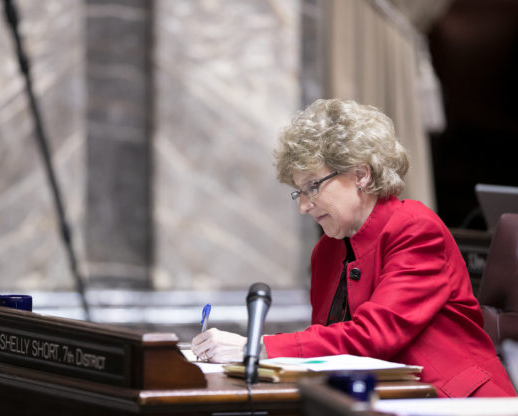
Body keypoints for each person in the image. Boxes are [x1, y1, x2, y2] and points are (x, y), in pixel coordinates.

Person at [191, 98, 517, 398]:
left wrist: (255, 347)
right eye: (298, 192)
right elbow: (327, 349)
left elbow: (372, 338)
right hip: (383, 399)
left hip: (457, 401)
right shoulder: (326, 251)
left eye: (312, 187)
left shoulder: (415, 228)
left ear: (360, 175)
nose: (304, 206)